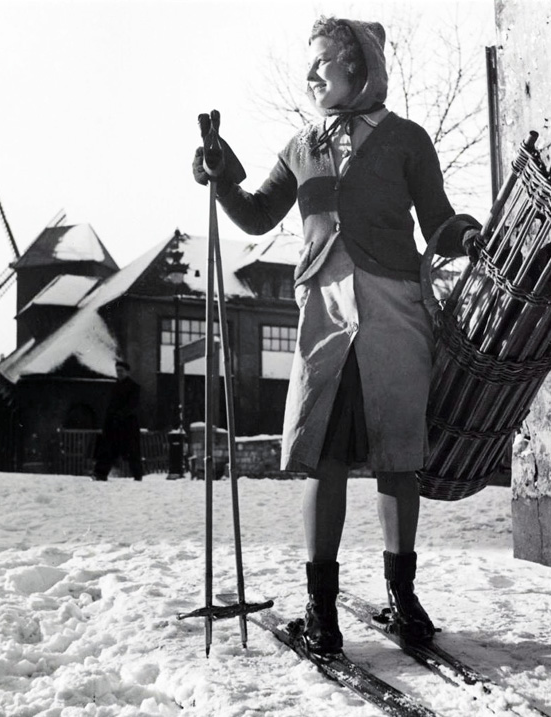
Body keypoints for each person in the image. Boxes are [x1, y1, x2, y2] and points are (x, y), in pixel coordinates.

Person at [192, 16, 481, 653]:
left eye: (322, 62)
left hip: (393, 307)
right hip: (323, 311)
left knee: (396, 455)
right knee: (321, 454)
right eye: (310, 65)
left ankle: (403, 599)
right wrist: (222, 176)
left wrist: (464, 235)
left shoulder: (407, 139)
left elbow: (436, 221)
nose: (311, 75)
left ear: (359, 68)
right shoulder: (302, 145)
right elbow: (259, 212)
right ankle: (322, 611)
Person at [92, 360, 143, 482]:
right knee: (107, 449)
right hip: (113, 424)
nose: (119, 373)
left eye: (121, 371)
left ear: (127, 372)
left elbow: (132, 406)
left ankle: (137, 475)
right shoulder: (114, 387)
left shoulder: (134, 387)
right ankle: (100, 473)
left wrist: (120, 415)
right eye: (117, 371)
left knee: (132, 451)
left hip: (127, 424)